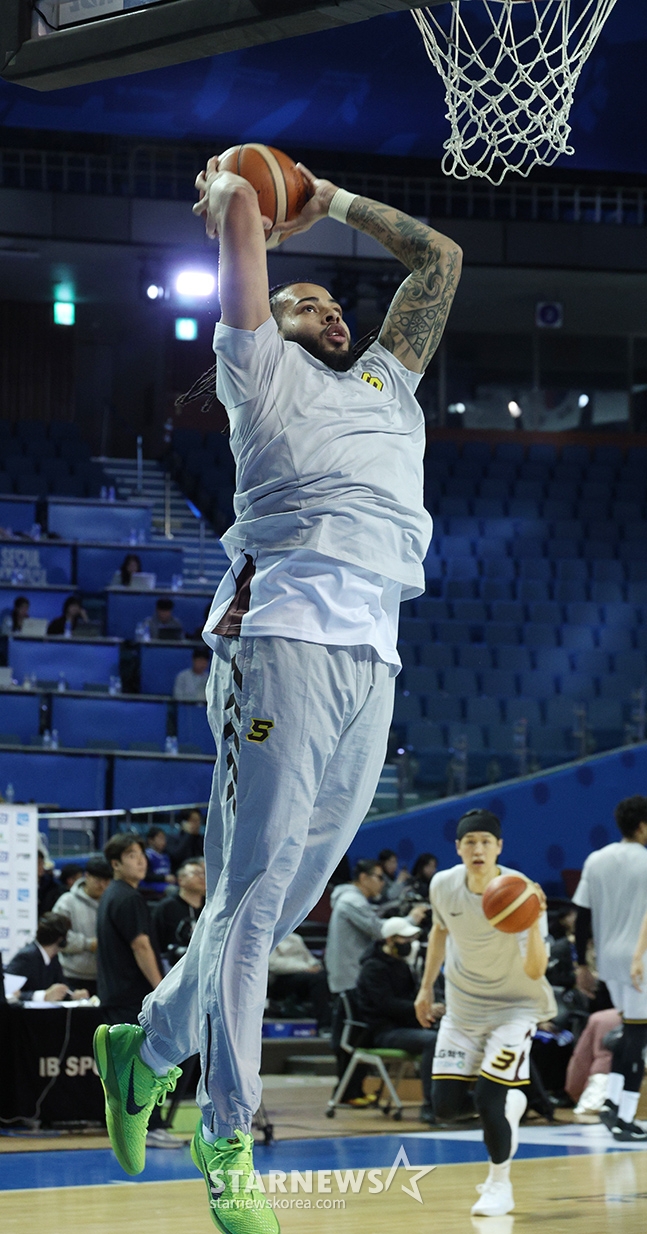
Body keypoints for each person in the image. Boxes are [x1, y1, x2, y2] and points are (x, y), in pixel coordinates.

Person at [92, 152, 461, 1230]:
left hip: (374, 656)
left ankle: (147, 1046)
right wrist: (244, 193)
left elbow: (439, 259)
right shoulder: (258, 371)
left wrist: (331, 199)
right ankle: (226, 1142)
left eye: (334, 302)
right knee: (251, 907)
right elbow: (242, 219)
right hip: (282, 641)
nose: (328, 310)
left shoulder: (388, 385)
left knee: (281, 902)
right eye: (306, 300)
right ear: (271, 322)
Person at [415, 808, 556, 1218]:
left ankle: (499, 1185)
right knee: (444, 1108)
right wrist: (426, 987)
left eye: (486, 842)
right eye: (470, 842)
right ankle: (512, 1107)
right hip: (463, 1008)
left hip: (515, 1008)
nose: (478, 849)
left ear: (499, 848)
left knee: (489, 1097)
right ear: (458, 848)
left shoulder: (521, 892)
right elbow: (439, 932)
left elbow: (535, 971)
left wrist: (534, 921)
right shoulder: (442, 885)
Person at [95, 833, 181, 1151]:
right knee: (142, 1065)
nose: (141, 860)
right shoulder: (128, 898)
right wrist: (161, 989)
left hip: (116, 993)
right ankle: (151, 1127)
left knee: (127, 1068)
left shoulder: (112, 895)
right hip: (132, 994)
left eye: (142, 854)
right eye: (131, 855)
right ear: (115, 864)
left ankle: (138, 1126)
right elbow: (141, 945)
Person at [572, 794, 647, 1142]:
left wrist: (580, 964)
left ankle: (612, 1105)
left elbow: (581, 916)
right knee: (637, 1038)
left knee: (631, 1034)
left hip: (608, 961)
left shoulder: (596, 859)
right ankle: (622, 1116)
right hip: (640, 960)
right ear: (642, 826)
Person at [326, 859, 427, 1101]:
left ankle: (352, 1092)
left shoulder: (353, 900)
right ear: (363, 878)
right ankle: (347, 1094)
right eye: (379, 877)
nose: (383, 883)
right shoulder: (351, 900)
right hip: (350, 978)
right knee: (352, 1036)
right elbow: (379, 929)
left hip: (351, 977)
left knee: (357, 1034)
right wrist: (411, 920)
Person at [355, 915, 444, 1123]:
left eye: (411, 939)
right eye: (405, 939)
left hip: (407, 1027)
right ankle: (430, 1107)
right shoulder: (373, 968)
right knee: (433, 1041)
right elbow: (386, 1005)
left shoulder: (402, 965)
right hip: (384, 1032)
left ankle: (454, 1102)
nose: (410, 943)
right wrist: (422, 1008)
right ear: (390, 939)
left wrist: (432, 1009)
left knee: (448, 1035)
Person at [56, 855, 113, 998]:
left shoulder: (113, 903)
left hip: (106, 977)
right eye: (98, 880)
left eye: (107, 881)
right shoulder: (67, 902)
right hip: (72, 975)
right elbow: (57, 937)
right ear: (86, 876)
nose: (102, 886)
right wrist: (89, 944)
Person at [5, 912, 90, 1002]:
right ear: (61, 939)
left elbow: (61, 985)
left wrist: (73, 994)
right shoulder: (26, 957)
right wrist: (42, 996)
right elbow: (8, 993)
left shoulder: (53, 959)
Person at [268, 931, 331, 1032]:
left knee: (323, 975)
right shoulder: (270, 937)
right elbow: (273, 964)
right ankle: (324, 1024)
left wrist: (315, 965)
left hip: (304, 975)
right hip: (281, 978)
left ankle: (326, 1021)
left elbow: (308, 957)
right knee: (317, 979)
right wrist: (305, 968)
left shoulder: (295, 938)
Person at [152, 860, 206, 967]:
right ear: (180, 880)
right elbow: (155, 941)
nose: (202, 877)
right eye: (196, 873)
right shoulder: (166, 907)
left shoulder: (210, 907)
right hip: (173, 966)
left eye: (204, 873)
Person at [166, 808, 204, 874]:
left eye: (199, 820)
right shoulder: (173, 838)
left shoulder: (202, 839)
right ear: (184, 822)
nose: (197, 824)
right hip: (181, 873)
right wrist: (188, 834)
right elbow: (176, 856)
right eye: (194, 820)